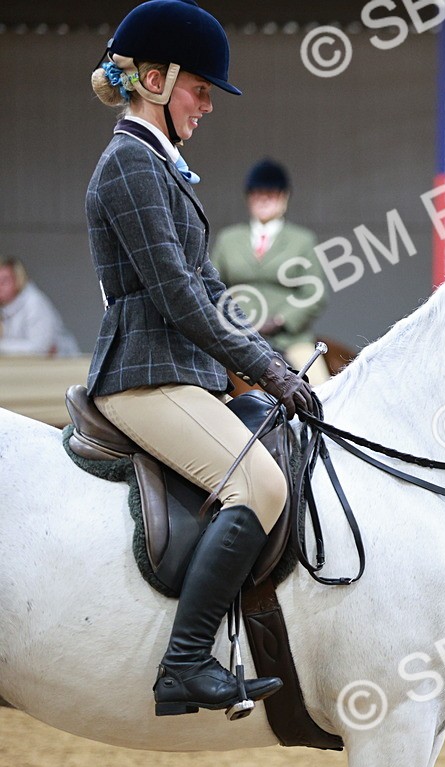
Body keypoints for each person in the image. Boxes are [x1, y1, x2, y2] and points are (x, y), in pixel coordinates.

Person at [85, 0, 316, 717]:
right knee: (262, 486)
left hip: (181, 371)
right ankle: (184, 663)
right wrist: (270, 371)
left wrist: (268, 357)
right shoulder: (130, 164)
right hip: (142, 374)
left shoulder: (167, 168)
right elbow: (181, 301)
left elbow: (212, 290)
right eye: (199, 89)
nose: (207, 104)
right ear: (155, 80)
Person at [211, 159, 329, 383]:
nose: (264, 198)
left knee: (320, 390)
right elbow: (213, 286)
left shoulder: (302, 240)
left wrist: (280, 320)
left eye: (272, 193)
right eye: (257, 192)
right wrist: (233, 321)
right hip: (238, 337)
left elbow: (314, 293)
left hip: (289, 339)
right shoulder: (229, 239)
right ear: (248, 197)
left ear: (284, 197)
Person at [0, 256, 80, 357]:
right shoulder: (5, 309)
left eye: (4, 281)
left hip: (63, 365)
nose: (0, 286)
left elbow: (40, 348)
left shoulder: (34, 303)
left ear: (18, 280)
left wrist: (2, 347)